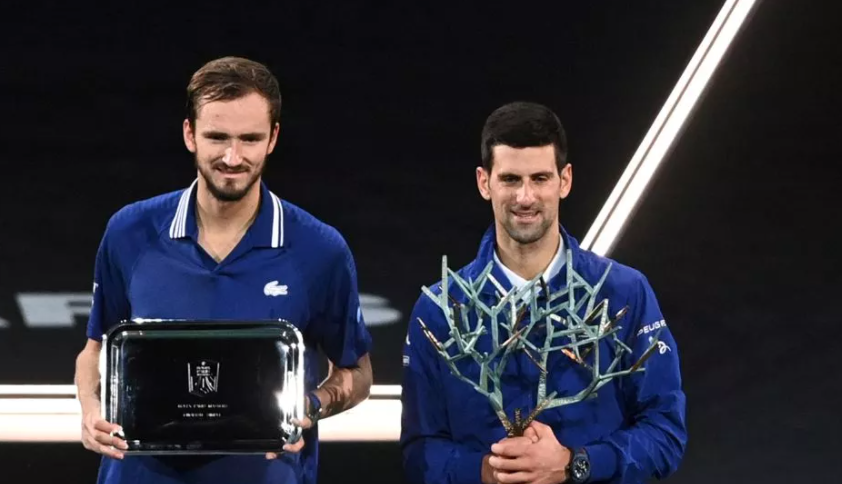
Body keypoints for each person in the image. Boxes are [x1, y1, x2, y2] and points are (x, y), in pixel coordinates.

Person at [74, 56, 373, 484]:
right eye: (217, 137)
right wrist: (90, 409)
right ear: (189, 135)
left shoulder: (320, 250)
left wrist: (312, 405)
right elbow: (95, 349)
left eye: (249, 139)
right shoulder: (129, 233)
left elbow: (357, 373)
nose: (232, 158)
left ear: (273, 139)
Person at [400, 102, 686, 484]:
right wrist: (487, 471)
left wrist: (575, 464)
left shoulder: (626, 293)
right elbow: (419, 448)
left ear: (564, 180)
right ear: (484, 182)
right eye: (510, 180)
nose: (525, 198)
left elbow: (664, 432)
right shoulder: (440, 309)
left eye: (540, 178)